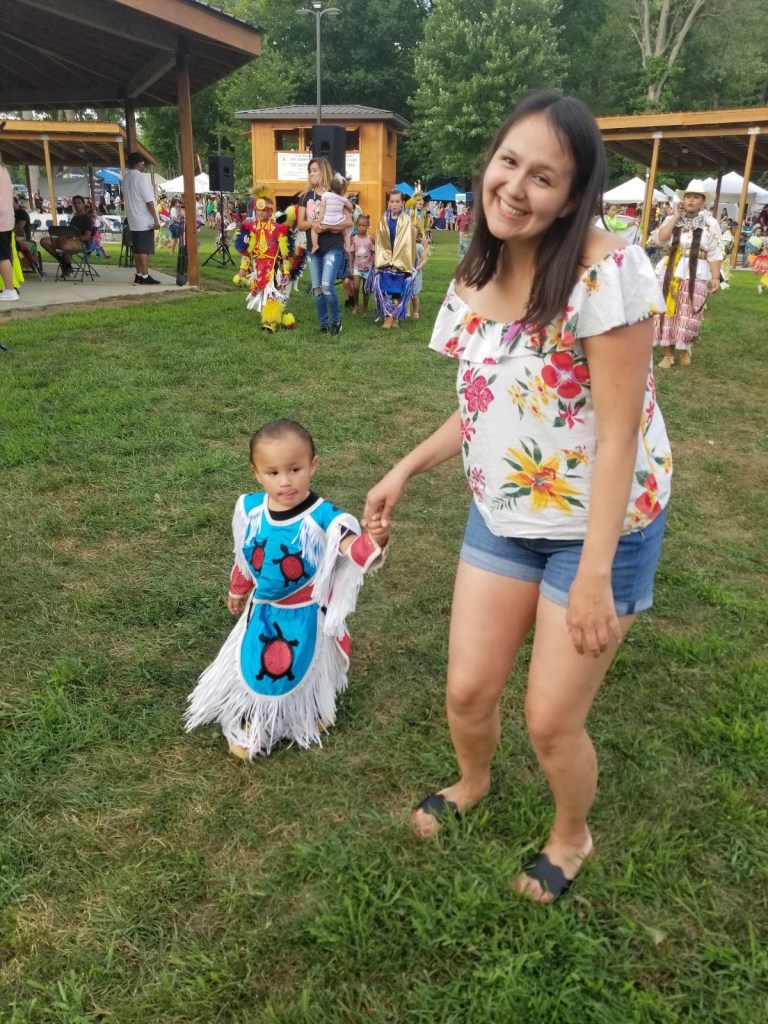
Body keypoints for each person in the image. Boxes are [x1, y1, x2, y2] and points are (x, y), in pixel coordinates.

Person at [363, 91, 671, 904]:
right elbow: (484, 401)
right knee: (467, 688)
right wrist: (404, 467)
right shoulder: (475, 272)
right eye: (508, 162)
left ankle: (573, 835)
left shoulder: (608, 271)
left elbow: (616, 436)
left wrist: (598, 571)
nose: (516, 187)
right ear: (486, 165)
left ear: (572, 197)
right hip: (506, 511)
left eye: (545, 177)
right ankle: (472, 782)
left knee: (549, 720)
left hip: (600, 526)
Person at [184, 418, 389, 759]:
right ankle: (292, 715)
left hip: (304, 613)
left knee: (287, 667)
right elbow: (247, 556)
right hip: (262, 609)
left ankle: (271, 724)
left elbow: (354, 551)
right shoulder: (251, 511)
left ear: (313, 466)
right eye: (273, 472)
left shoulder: (324, 518)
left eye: (295, 469)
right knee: (257, 664)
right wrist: (238, 588)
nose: (285, 481)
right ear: (256, 473)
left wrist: (376, 539)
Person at [651, 179, 723, 369]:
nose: (691, 200)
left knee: (689, 312)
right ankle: (668, 355)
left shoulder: (710, 223)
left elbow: (716, 252)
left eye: (696, 197)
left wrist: (716, 277)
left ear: (703, 201)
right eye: (688, 196)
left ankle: (685, 349)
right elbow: (660, 239)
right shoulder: (673, 219)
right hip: (671, 270)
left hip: (697, 272)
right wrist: (675, 217)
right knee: (668, 310)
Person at [232, 189, 305, 333]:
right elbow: (248, 251)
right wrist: (243, 268)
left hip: (273, 267)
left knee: (272, 292)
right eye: (258, 210)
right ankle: (281, 317)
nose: (261, 213)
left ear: (270, 211)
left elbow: (284, 252)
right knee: (263, 293)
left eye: (264, 210)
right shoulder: (251, 228)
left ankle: (270, 322)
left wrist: (285, 271)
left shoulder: (278, 228)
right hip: (258, 266)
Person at [297, 158, 352, 336]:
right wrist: (313, 224)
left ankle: (336, 321)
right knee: (317, 289)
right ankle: (323, 325)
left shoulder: (335, 196)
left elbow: (349, 221)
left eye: (315, 170)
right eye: (310, 171)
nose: (312, 173)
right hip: (314, 249)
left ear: (324, 172)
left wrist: (328, 226)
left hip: (333, 247)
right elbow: (300, 224)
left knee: (327, 285)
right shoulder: (305, 197)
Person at [372, 189, 417, 329]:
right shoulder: (383, 220)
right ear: (388, 203)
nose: (395, 204)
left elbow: (409, 243)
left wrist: (408, 261)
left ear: (403, 203)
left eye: (397, 201)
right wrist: (379, 259)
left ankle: (395, 316)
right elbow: (379, 241)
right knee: (385, 288)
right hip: (385, 260)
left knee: (396, 290)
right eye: (392, 201)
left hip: (400, 261)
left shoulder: (407, 221)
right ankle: (387, 317)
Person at [123, 152, 161, 285]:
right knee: (144, 250)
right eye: (143, 163)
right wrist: (156, 220)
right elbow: (149, 202)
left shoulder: (126, 178)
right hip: (144, 221)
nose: (143, 165)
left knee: (137, 249)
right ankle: (145, 276)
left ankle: (138, 274)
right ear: (139, 163)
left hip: (133, 219)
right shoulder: (140, 179)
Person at [38, 194, 93, 279]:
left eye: (79, 203)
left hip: (81, 242)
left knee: (65, 246)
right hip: (68, 240)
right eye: (75, 203)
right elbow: (70, 232)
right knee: (44, 241)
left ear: (83, 204)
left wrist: (73, 238)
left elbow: (87, 237)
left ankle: (66, 265)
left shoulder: (87, 218)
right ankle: (63, 262)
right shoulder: (74, 218)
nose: (77, 205)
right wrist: (63, 236)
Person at [310, 172, 354, 254]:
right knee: (346, 234)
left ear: (331, 187)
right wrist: (350, 210)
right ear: (343, 190)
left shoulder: (325, 195)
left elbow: (322, 207)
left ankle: (315, 244)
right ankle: (347, 248)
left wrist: (320, 218)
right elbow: (350, 207)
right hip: (338, 222)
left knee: (314, 229)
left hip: (326, 221)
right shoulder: (343, 198)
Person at [0, 160, 19, 301]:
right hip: (6, 219)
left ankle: (9, 290)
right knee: (4, 254)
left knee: (2, 256)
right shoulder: (4, 169)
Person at [349, 213, 374, 315]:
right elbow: (351, 253)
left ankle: (365, 309)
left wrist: (372, 265)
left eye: (364, 225)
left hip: (367, 268)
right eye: (359, 225)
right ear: (356, 225)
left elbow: (373, 252)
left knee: (366, 290)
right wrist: (350, 267)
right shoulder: (354, 238)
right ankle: (356, 305)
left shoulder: (370, 239)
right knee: (355, 287)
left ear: (368, 226)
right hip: (357, 267)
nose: (361, 228)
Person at [409, 225, 428, 319]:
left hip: (416, 274)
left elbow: (425, 259)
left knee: (414, 295)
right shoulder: (404, 246)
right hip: (407, 273)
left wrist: (418, 268)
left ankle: (415, 311)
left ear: (416, 237)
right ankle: (407, 312)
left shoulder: (419, 247)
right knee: (407, 293)